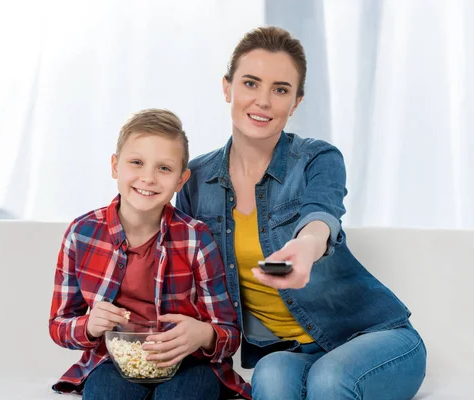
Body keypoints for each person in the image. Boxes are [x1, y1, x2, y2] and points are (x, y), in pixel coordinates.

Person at [176, 27, 427, 400]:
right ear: (227, 88)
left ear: (296, 103)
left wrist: (307, 246)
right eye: (250, 83)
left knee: (329, 380)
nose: (263, 101)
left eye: (280, 89)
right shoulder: (195, 180)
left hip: (376, 339)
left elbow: (322, 215)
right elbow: (183, 271)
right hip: (291, 352)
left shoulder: (317, 159)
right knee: (271, 376)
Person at [48, 109, 251, 399]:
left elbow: (228, 331)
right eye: (137, 163)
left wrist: (203, 335)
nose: (148, 178)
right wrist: (89, 326)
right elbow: (59, 324)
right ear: (115, 166)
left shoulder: (196, 238)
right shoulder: (81, 234)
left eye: (164, 168)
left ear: (181, 180)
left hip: (190, 363)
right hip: (113, 362)